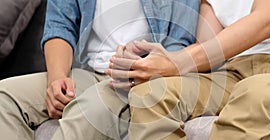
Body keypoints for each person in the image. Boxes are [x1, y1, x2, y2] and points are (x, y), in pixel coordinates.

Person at [0, 0, 200, 140]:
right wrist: (57, 78)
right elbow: (60, 24)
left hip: (140, 80)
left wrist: (143, 67)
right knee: (5, 97)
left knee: (89, 111)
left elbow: (179, 43)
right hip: (89, 71)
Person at [105, 0, 270, 139]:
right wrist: (153, 62)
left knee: (256, 93)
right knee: (151, 93)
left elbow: (264, 22)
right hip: (234, 71)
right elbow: (207, 46)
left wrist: (178, 62)